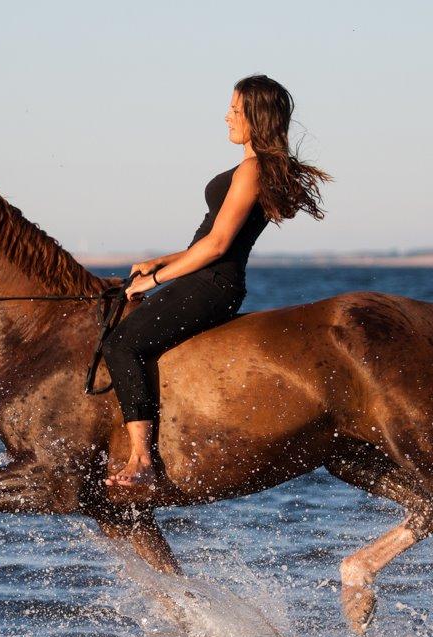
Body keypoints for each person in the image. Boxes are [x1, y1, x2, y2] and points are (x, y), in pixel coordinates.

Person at [102, 74, 331, 487]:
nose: (226, 116)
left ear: (255, 118)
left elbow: (218, 246)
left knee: (121, 343)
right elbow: (205, 240)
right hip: (203, 277)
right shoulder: (251, 168)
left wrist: (155, 280)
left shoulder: (253, 169)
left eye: (235, 109)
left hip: (212, 285)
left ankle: (142, 461)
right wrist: (157, 262)